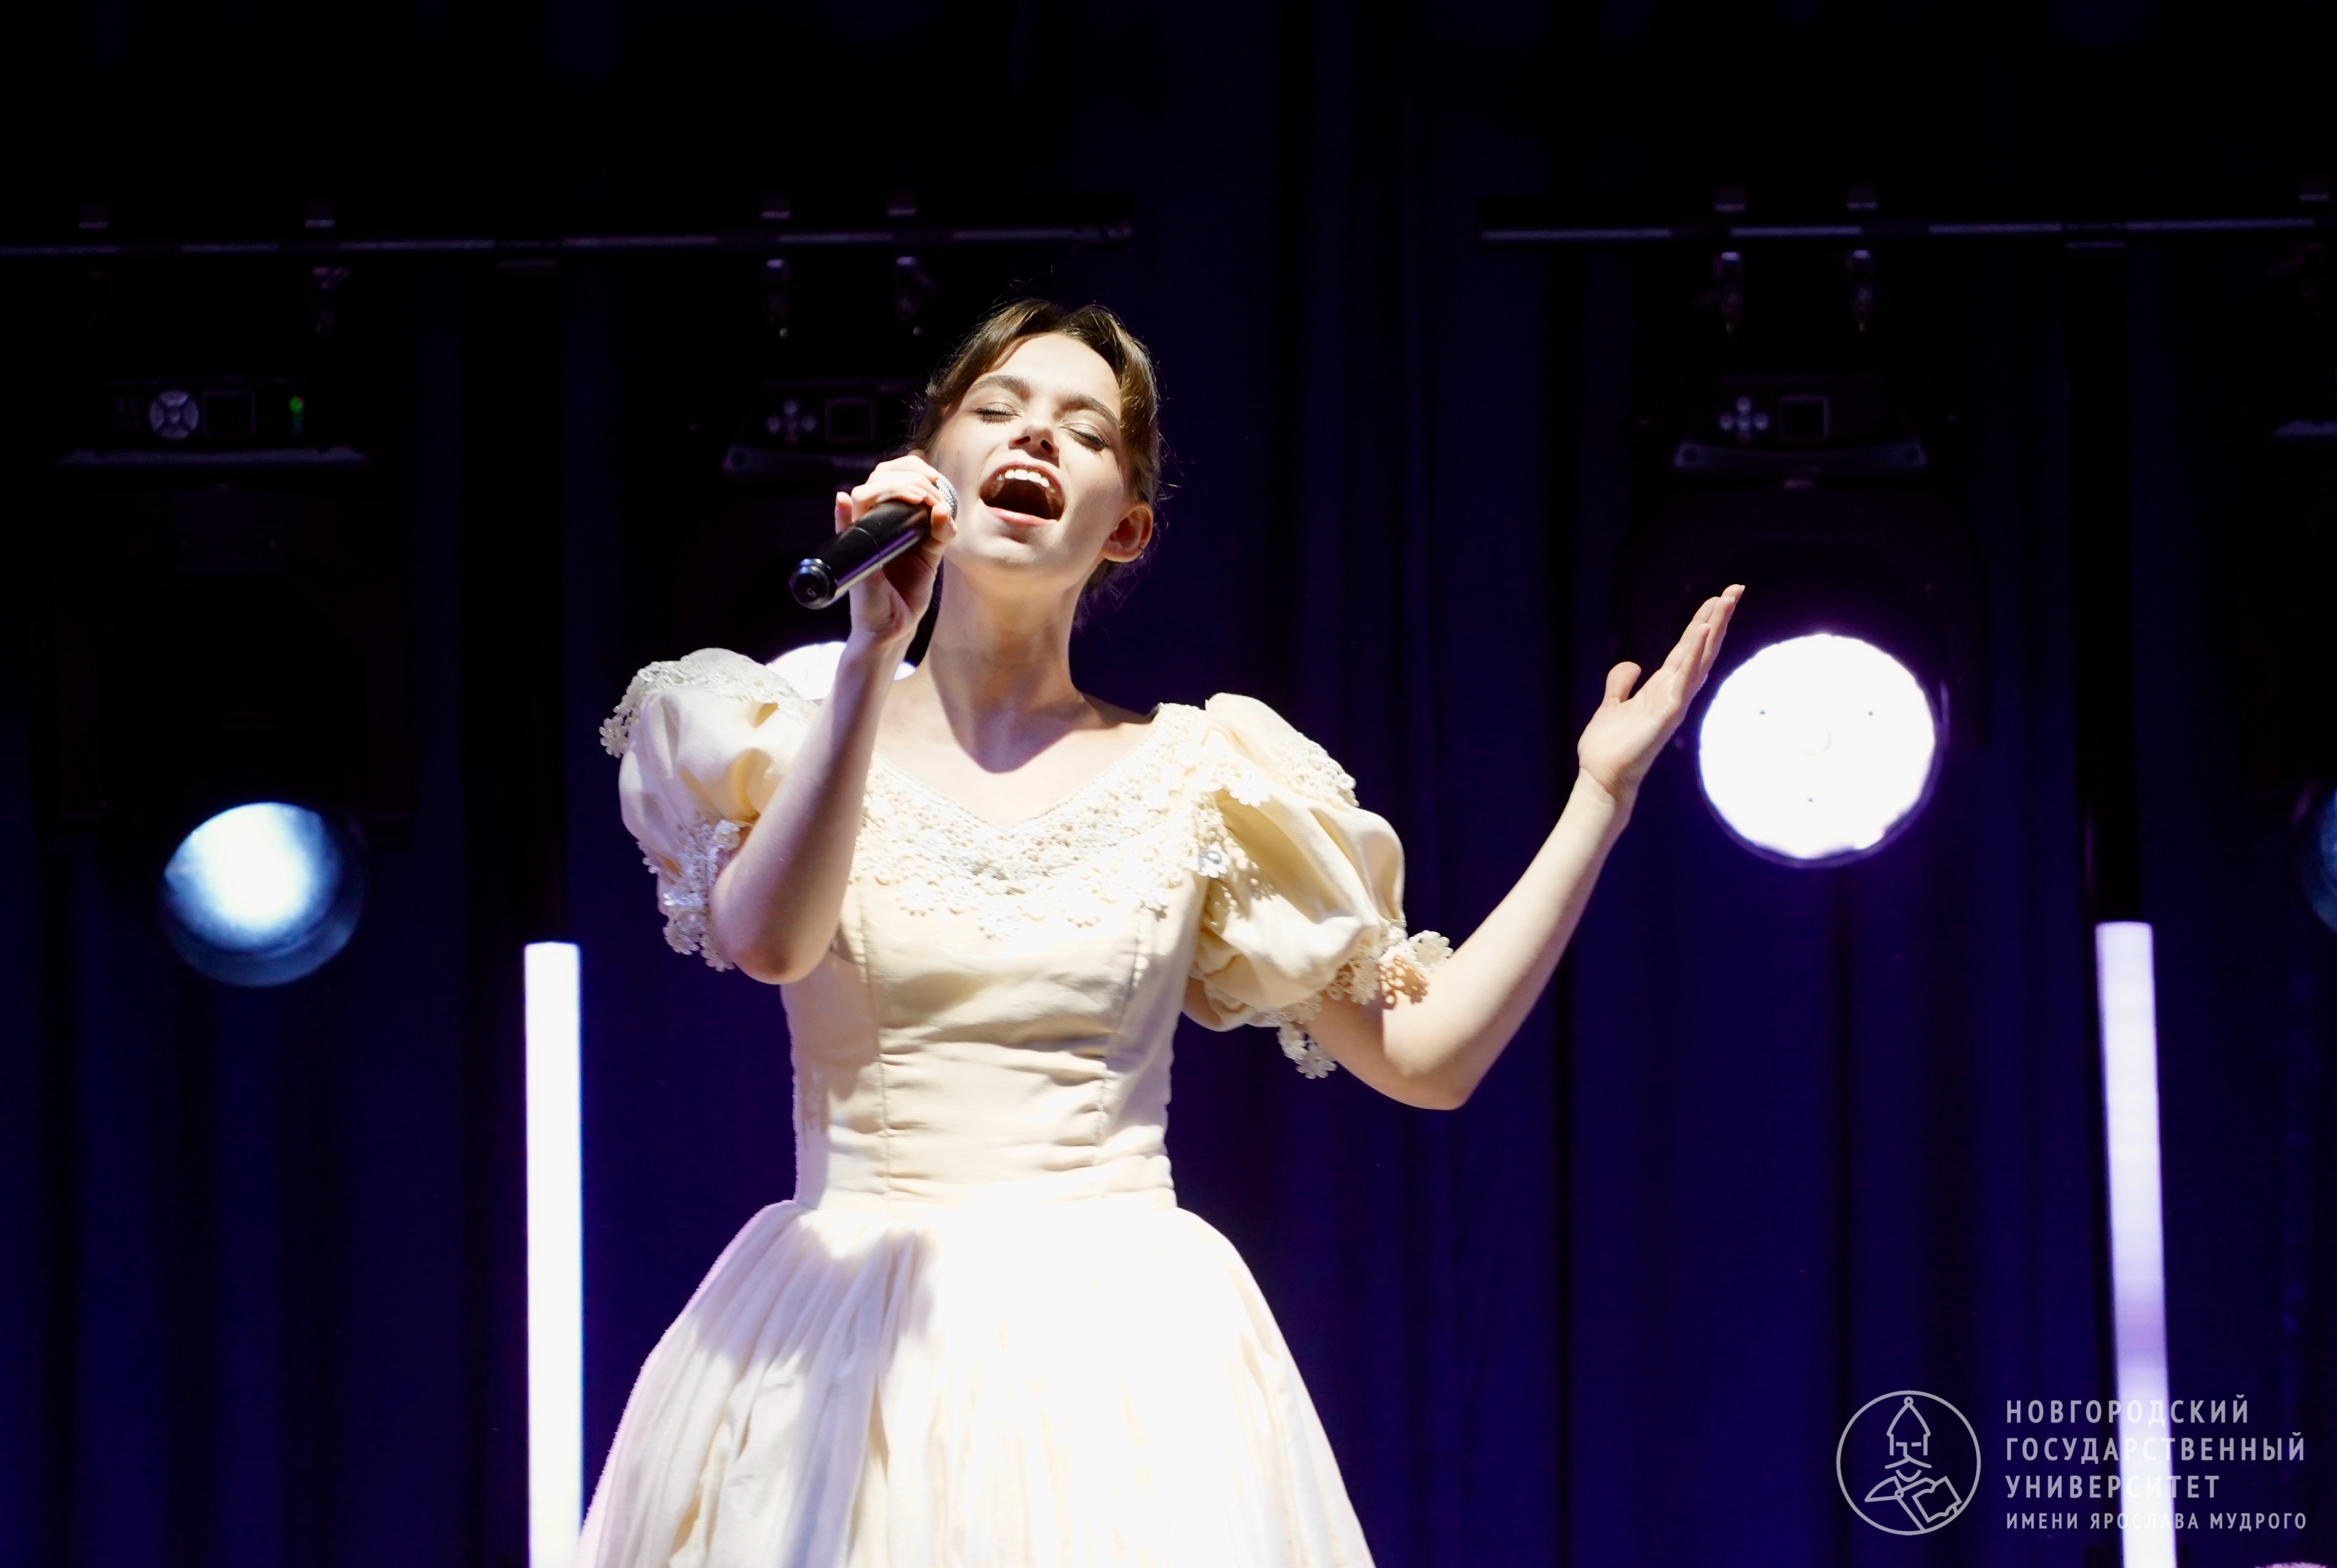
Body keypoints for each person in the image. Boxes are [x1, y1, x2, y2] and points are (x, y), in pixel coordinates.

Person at [585, 299, 1740, 1566]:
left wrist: (1599, 798)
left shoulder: (1201, 777)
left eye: (1085, 431)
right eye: (997, 409)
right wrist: (869, 653)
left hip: (1116, 1357)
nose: (1036, 437)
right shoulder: (789, 731)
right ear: (926, 469)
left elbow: (1429, 1058)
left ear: (1125, 525)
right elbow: (771, 944)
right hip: (846, 1332)